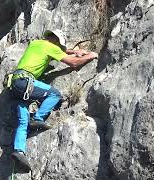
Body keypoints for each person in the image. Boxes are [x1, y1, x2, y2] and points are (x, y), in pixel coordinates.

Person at [9, 29, 98, 172]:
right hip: (26, 82)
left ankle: (19, 151)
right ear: (55, 41)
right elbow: (73, 63)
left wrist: (73, 51)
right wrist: (90, 55)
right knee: (54, 94)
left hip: (14, 85)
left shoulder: (36, 43)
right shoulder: (50, 47)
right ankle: (38, 118)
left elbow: (60, 52)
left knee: (22, 121)